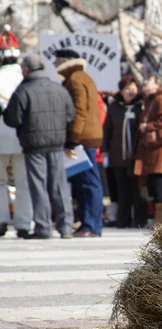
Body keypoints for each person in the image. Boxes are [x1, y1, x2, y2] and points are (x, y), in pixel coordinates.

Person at [3, 55, 75, 239]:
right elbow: (70, 114)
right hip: (57, 143)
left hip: (33, 144)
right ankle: (66, 227)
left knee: (38, 186)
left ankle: (43, 227)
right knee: (59, 185)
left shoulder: (23, 91)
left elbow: (12, 119)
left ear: (27, 69)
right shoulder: (58, 89)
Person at [54, 49, 104, 238]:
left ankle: (91, 226)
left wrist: (72, 140)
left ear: (66, 61)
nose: (55, 64)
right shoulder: (81, 77)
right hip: (85, 136)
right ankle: (87, 224)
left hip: (83, 138)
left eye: (57, 60)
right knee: (84, 183)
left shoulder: (75, 79)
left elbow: (79, 112)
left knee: (89, 183)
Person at [102, 75, 147, 228]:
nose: (130, 92)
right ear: (121, 91)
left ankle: (140, 220)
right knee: (122, 189)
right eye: (127, 89)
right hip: (118, 154)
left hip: (136, 155)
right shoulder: (115, 106)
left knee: (137, 189)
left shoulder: (141, 106)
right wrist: (105, 149)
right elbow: (107, 128)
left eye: (133, 89)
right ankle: (123, 219)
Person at [0, 25, 32, 238]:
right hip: (22, 137)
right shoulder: (24, 77)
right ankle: (23, 222)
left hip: (1, 137)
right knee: (23, 182)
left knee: (0, 182)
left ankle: (1, 220)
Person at [134, 74, 162, 226]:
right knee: (156, 186)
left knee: (160, 186)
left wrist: (148, 126)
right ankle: (161, 221)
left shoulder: (160, 99)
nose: (145, 82)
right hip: (155, 150)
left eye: (149, 80)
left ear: (157, 84)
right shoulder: (151, 98)